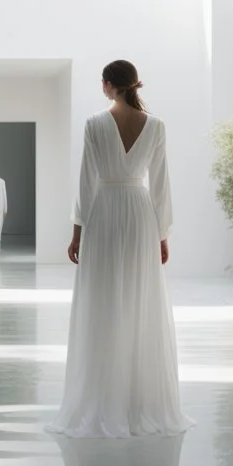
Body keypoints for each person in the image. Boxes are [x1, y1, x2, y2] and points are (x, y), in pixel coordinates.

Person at [46, 60, 193, 438]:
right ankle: (138, 403)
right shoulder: (156, 126)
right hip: (141, 214)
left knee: (103, 302)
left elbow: (86, 181)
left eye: (102, 83)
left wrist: (77, 231)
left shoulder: (95, 124)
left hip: (106, 213)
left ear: (109, 85)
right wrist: (162, 234)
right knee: (140, 302)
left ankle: (102, 399)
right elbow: (160, 184)